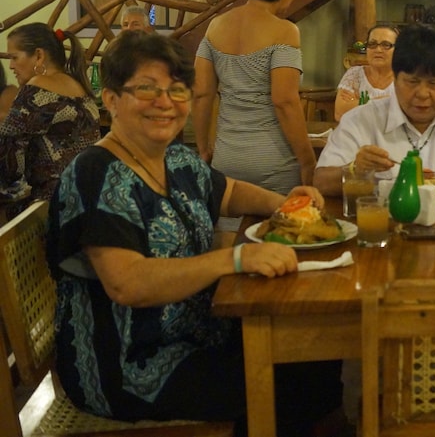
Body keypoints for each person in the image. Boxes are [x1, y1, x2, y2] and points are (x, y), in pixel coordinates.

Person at [46, 31, 341, 437]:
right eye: (147, 89)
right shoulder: (96, 174)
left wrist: (284, 203)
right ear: (111, 99)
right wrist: (234, 259)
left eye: (177, 90)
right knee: (286, 383)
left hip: (197, 331)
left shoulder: (176, 158)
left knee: (317, 355)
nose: (165, 102)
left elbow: (228, 192)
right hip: (128, 362)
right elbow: (128, 283)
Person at [314, 24, 435, 207]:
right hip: (384, 227)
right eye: (412, 82)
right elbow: (322, 181)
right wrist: (355, 169)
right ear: (395, 78)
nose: (423, 94)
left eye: (434, 83)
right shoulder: (361, 119)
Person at [192, 0, 314, 196]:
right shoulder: (285, 31)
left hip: (226, 159)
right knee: (281, 220)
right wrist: (307, 160)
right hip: (273, 161)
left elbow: (201, 93)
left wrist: (203, 148)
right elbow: (285, 101)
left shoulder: (215, 26)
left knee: (228, 221)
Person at [1, 23, 100, 217]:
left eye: (14, 57)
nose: (11, 66)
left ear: (39, 55)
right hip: (88, 203)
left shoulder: (36, 91)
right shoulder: (78, 86)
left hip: (50, 209)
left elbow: (7, 161)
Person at [334, 24, 398, 122]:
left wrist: (360, 102)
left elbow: (403, 116)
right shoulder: (354, 74)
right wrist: (384, 101)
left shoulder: (406, 77)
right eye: (372, 44)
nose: (378, 50)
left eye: (386, 45)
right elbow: (340, 114)